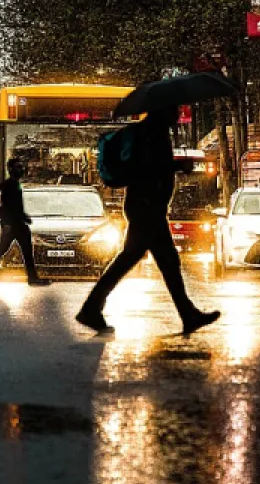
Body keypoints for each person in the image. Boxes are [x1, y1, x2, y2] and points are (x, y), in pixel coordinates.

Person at [76, 104, 221, 335]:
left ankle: (186, 313)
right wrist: (177, 165)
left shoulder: (150, 132)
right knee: (157, 260)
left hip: (146, 206)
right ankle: (92, 308)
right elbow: (148, 168)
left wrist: (173, 166)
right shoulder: (151, 134)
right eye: (174, 110)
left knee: (150, 260)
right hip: (147, 207)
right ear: (162, 111)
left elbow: (150, 167)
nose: (177, 115)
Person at [0, 158, 50, 286]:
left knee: (18, 249)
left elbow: (14, 206)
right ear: (11, 169)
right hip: (12, 225)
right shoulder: (8, 185)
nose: (21, 170)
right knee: (10, 249)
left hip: (17, 223)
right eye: (18, 167)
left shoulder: (14, 184)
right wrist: (1, 216)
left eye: (21, 167)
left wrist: (24, 217)